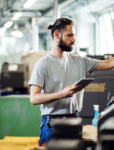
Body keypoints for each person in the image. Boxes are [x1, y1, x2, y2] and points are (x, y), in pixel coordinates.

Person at [29, 17, 114, 146]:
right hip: (52, 125)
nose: (73, 40)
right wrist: (62, 94)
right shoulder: (42, 64)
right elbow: (34, 98)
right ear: (57, 34)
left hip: (75, 122)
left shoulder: (80, 61)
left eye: (74, 35)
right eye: (69, 36)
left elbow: (109, 63)